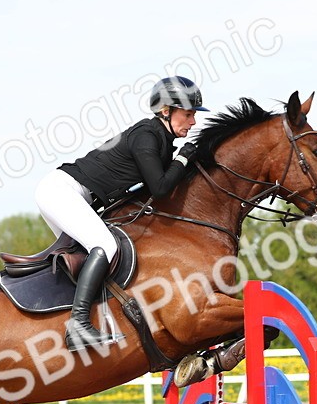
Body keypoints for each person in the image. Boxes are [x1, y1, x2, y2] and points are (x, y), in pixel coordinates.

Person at [35, 76, 208, 351]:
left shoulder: (160, 140)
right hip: (62, 191)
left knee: (93, 258)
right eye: (188, 114)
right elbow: (161, 188)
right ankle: (78, 325)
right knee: (104, 246)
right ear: (166, 111)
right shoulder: (146, 136)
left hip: (74, 195)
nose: (193, 122)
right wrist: (184, 158)